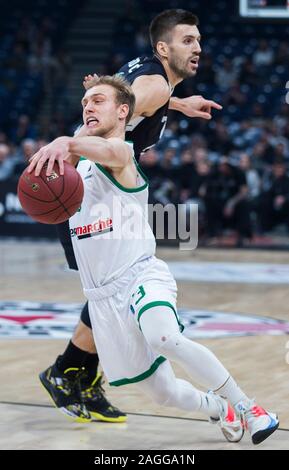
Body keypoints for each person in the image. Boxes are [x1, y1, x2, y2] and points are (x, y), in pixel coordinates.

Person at [28, 74, 279, 445]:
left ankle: (247, 407)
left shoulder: (121, 153)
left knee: (164, 336)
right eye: (85, 103)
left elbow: (108, 140)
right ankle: (218, 408)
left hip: (140, 276)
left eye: (98, 101)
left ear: (124, 112)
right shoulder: (77, 159)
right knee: (163, 393)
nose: (88, 107)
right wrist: (174, 104)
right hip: (102, 300)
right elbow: (94, 127)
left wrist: (65, 140)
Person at [36, 9, 223, 423]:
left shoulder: (153, 82)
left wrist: (178, 103)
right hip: (94, 192)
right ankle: (69, 372)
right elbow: (110, 121)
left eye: (198, 40)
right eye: (188, 40)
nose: (198, 48)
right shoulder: (154, 82)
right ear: (163, 47)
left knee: (112, 288)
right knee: (117, 286)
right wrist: (65, 143)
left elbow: (131, 103)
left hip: (99, 188)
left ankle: (74, 373)